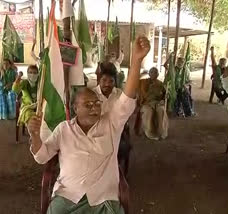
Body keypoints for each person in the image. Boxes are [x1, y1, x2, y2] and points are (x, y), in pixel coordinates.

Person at [27, 36, 150, 213]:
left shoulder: (111, 123)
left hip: (102, 198)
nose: (94, 107)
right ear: (75, 108)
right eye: (88, 104)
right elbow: (42, 156)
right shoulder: (64, 129)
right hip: (68, 196)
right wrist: (35, 135)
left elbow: (127, 98)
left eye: (97, 103)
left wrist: (137, 60)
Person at [93, 65, 132, 175]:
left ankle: (115, 172)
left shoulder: (119, 94)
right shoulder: (92, 94)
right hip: (96, 133)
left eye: (111, 81)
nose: (107, 84)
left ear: (115, 82)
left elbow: (125, 113)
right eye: (104, 80)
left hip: (116, 132)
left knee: (122, 148)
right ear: (99, 80)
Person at [139, 67, 168, 140]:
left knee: (161, 110)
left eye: (155, 73)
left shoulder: (160, 84)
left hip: (157, 103)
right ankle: (150, 134)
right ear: (149, 73)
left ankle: (161, 133)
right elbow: (134, 81)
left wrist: (164, 99)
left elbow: (165, 96)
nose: (153, 74)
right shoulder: (143, 82)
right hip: (146, 103)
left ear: (158, 74)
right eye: (151, 72)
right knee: (149, 112)